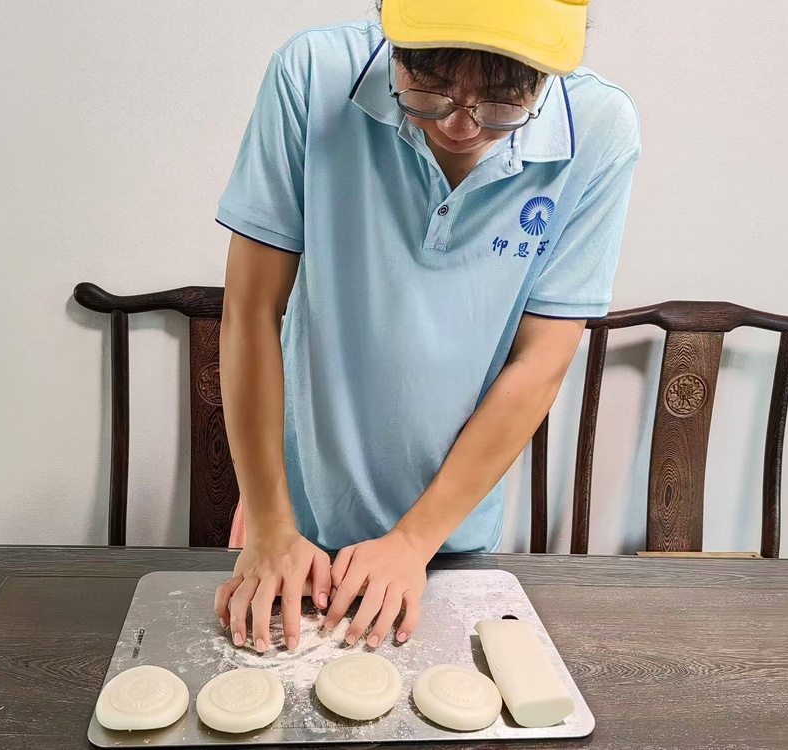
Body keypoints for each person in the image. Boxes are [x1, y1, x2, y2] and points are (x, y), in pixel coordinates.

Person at [213, 0, 640, 653]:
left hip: (448, 533)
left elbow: (540, 362)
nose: (459, 125)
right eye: (429, 88)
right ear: (393, 38)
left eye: (500, 102)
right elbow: (250, 311)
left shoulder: (599, 129)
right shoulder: (313, 74)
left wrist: (414, 540)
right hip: (291, 521)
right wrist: (271, 524)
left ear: (549, 70)